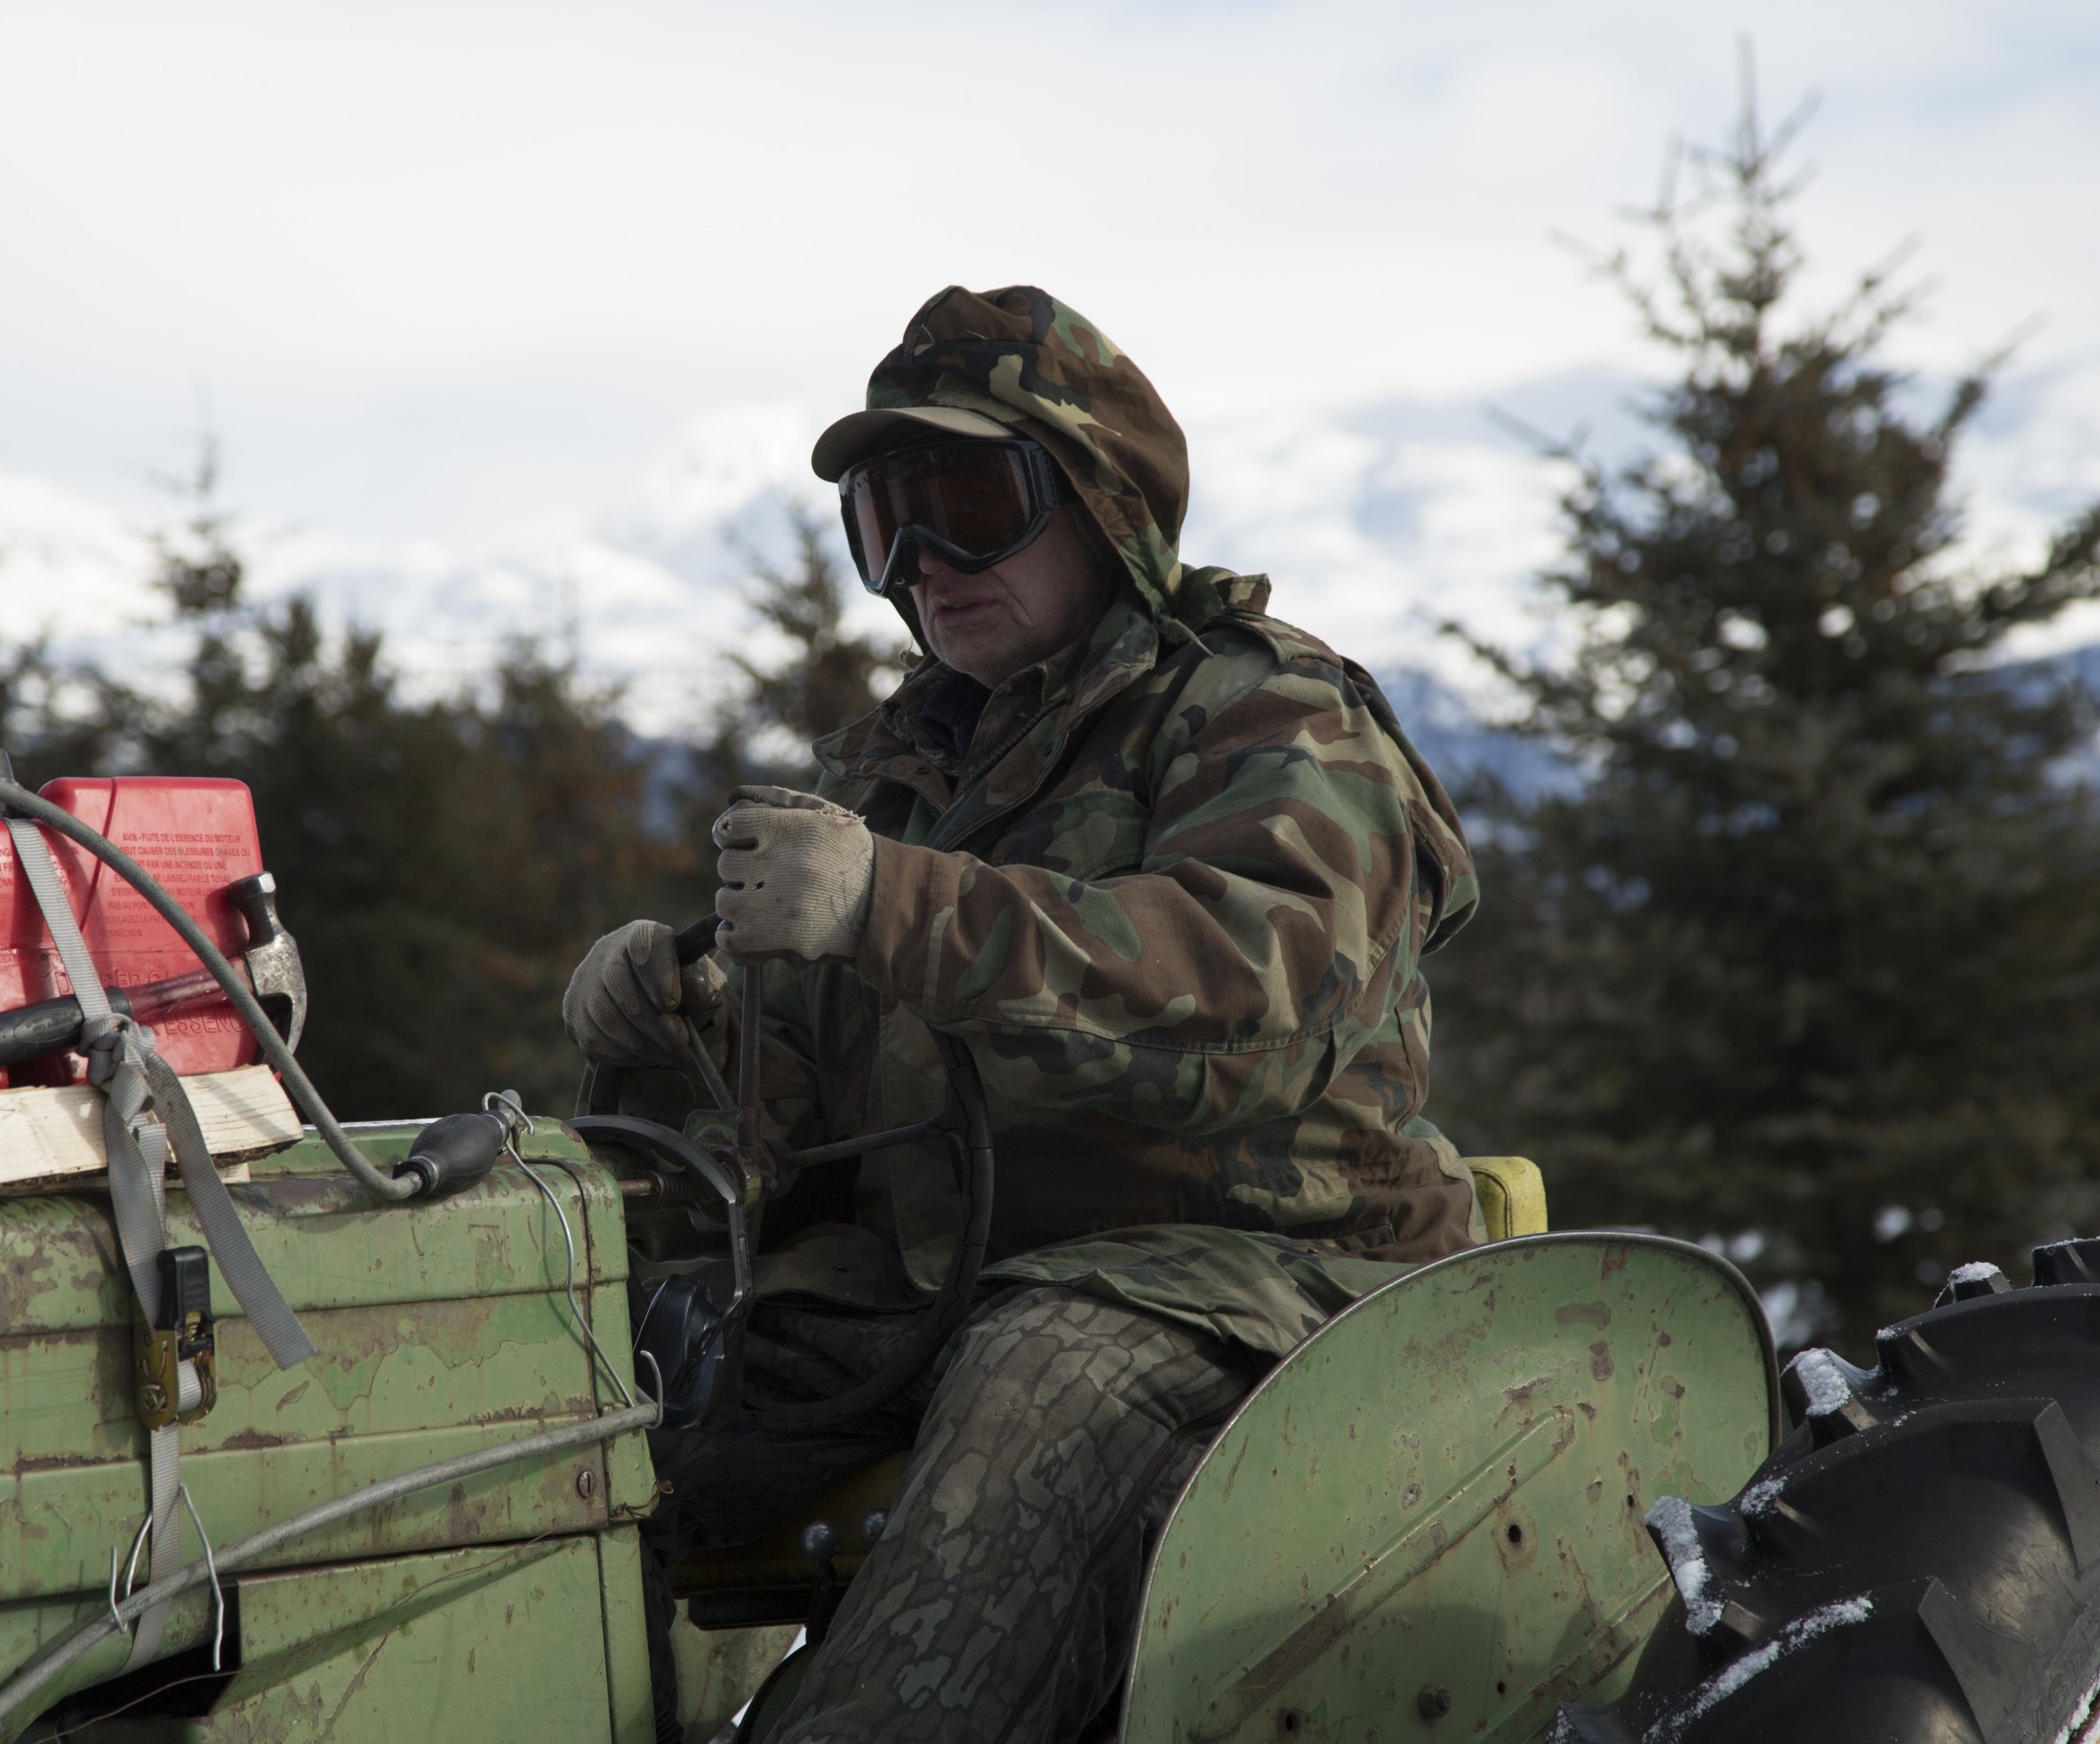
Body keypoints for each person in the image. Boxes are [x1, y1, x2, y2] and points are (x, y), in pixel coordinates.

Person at [562, 285, 1481, 1743]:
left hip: (1270, 1276)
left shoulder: (1269, 717)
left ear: (1102, 504)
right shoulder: (896, 770)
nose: (924, 562)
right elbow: (792, 1145)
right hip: (946, 1284)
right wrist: (675, 1033)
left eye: (971, 502)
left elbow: (1254, 1015)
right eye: (886, 520)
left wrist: (895, 911)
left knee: (1047, 1378)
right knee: (593, 1426)